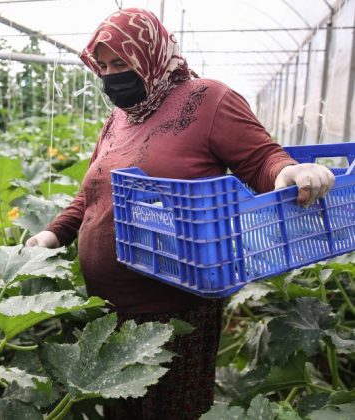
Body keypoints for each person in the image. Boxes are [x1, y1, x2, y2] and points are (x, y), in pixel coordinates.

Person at [26, 8, 335, 420]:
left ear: (151, 54)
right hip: (108, 307)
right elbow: (91, 194)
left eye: (121, 63)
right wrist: (51, 235)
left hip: (174, 308)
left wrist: (290, 172)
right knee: (122, 411)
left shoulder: (208, 99)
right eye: (102, 66)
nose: (110, 75)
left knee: (171, 410)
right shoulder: (118, 118)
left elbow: (262, 160)